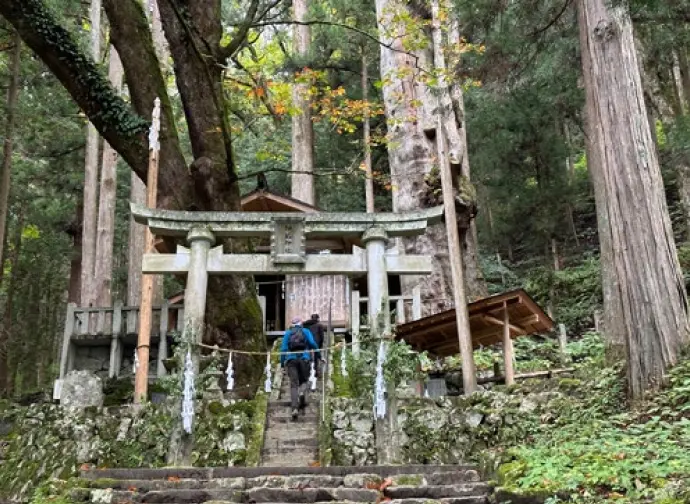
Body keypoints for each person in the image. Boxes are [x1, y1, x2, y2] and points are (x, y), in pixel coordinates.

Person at [280, 316, 318, 421]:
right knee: (305, 380)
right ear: (301, 324)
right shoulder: (305, 331)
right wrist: (318, 355)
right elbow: (312, 343)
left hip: (291, 360)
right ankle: (302, 392)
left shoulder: (288, 333)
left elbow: (283, 348)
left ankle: (294, 408)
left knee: (293, 384)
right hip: (304, 359)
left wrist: (282, 364)